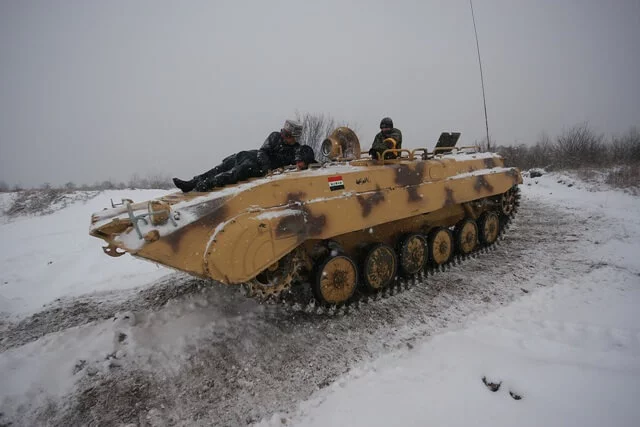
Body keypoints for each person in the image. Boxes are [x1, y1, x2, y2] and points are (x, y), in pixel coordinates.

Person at [173, 120, 307, 192]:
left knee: (234, 173)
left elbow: (306, 160)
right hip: (252, 156)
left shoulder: (295, 150)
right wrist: (267, 167)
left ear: (295, 137)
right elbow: (263, 151)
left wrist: (267, 170)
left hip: (256, 168)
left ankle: (206, 185)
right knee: (222, 166)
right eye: (283, 132)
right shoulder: (275, 136)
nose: (283, 136)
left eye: (287, 135)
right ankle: (192, 183)